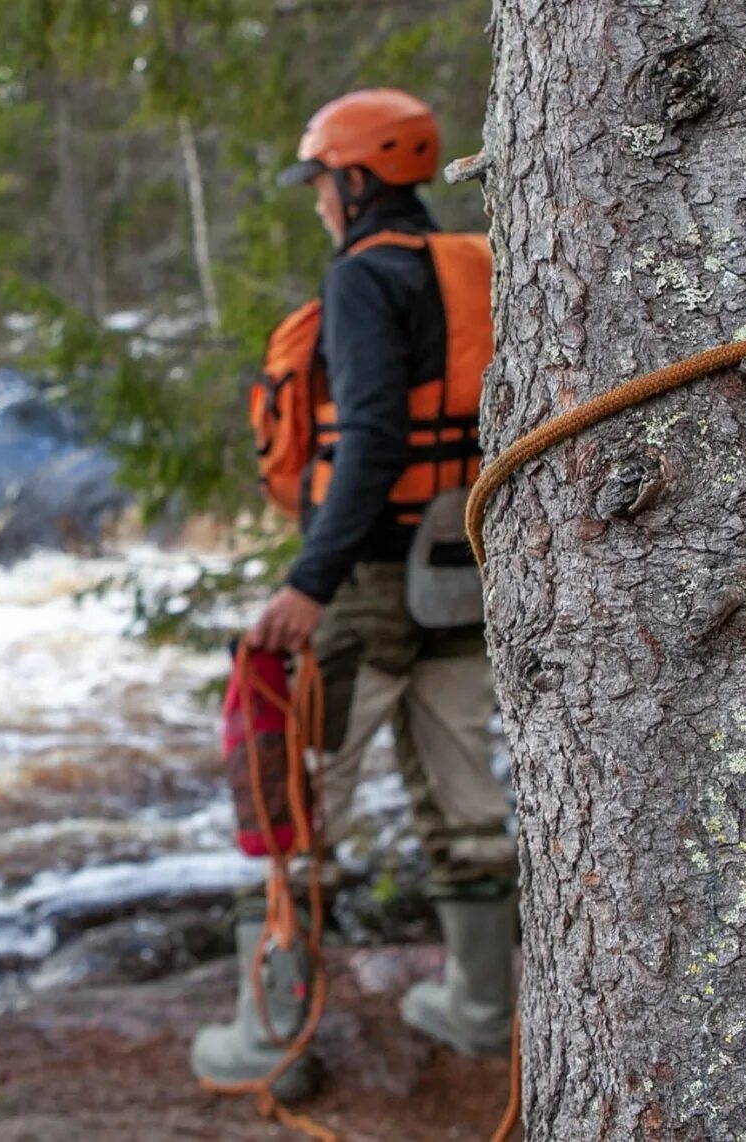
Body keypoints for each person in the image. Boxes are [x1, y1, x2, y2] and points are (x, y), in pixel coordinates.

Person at [191, 88, 516, 1100]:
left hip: (369, 580)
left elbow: (371, 436)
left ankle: (273, 1035)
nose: (318, 203)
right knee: (464, 794)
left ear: (355, 180)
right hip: (463, 565)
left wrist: (306, 581)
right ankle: (479, 1007)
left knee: (298, 798)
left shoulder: (361, 281)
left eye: (322, 183)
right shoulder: (478, 266)